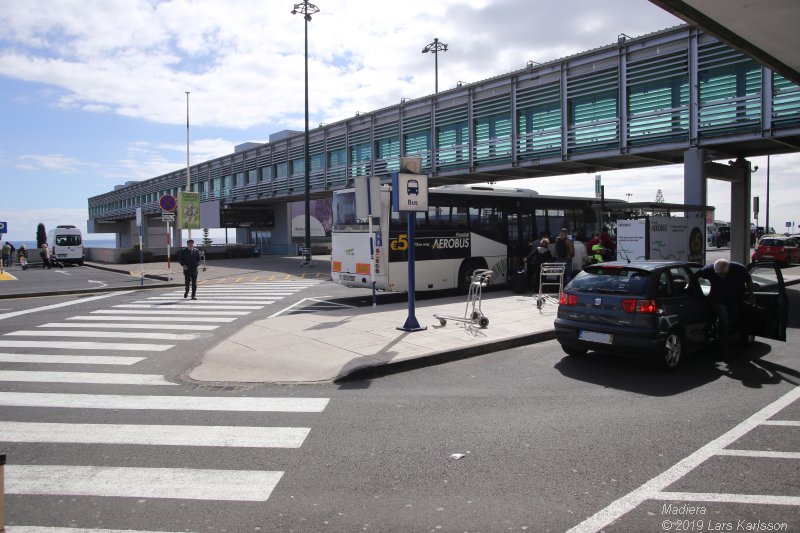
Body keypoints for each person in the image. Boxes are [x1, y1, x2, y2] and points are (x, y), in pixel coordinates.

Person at [695, 258, 755, 359]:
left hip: (735, 300)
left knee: (732, 320)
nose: (721, 277)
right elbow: (696, 275)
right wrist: (690, 288)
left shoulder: (740, 269)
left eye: (723, 274)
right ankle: (723, 349)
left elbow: (749, 282)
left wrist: (751, 296)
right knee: (724, 321)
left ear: (728, 269)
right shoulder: (709, 269)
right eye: (718, 275)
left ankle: (720, 333)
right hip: (717, 300)